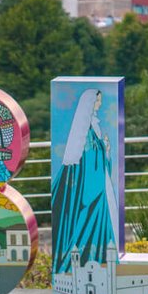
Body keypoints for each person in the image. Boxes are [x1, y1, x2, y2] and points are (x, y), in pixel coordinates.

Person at [51, 89, 120, 275]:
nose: (99, 104)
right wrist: (101, 150)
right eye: (97, 101)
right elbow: (86, 158)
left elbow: (95, 155)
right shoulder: (86, 130)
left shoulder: (93, 126)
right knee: (91, 219)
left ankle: (100, 260)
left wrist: (106, 150)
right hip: (92, 186)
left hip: (98, 181)